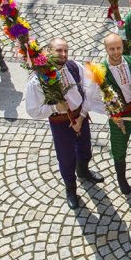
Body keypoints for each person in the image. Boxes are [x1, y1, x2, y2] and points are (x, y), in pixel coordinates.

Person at [24, 37, 104, 209]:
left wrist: (81, 117)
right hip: (60, 123)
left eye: (66, 50)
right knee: (66, 157)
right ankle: (71, 188)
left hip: (80, 117)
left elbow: (89, 90)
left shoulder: (74, 67)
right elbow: (33, 111)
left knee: (85, 147)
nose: (63, 54)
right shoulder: (38, 80)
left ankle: (83, 170)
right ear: (48, 51)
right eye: (59, 50)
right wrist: (54, 107)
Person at [86, 33, 131, 194]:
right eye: (112, 49)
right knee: (119, 148)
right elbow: (90, 98)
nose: (116, 52)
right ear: (106, 49)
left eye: (118, 48)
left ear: (122, 46)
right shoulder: (100, 71)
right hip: (118, 118)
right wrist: (111, 113)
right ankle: (122, 179)